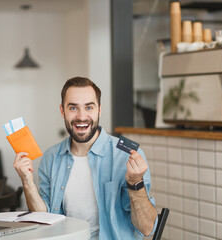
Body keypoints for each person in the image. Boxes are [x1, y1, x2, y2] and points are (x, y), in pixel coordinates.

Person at [14, 77, 157, 239]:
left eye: (89, 107)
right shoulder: (51, 157)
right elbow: (43, 218)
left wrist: (136, 183)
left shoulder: (126, 153)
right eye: (73, 108)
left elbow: (147, 229)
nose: (81, 116)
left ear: (99, 110)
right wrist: (27, 181)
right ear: (62, 111)